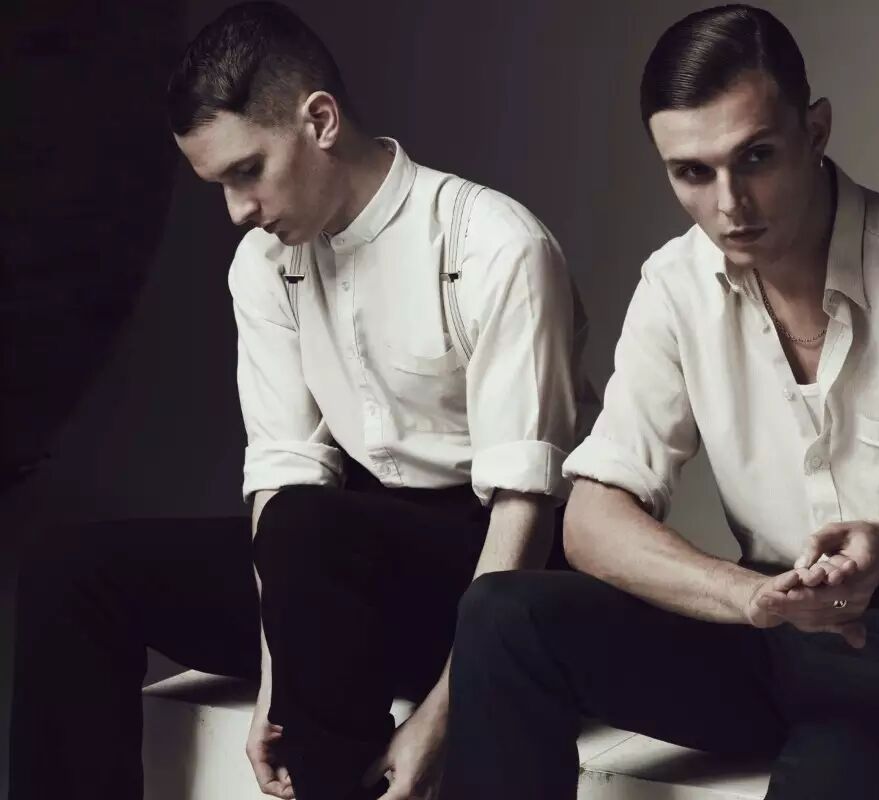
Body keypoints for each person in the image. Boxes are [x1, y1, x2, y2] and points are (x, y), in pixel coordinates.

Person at [441, 5, 879, 799]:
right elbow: (592, 518)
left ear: (816, 131)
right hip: (764, 632)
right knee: (503, 614)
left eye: (756, 157)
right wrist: (748, 598)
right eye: (692, 173)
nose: (730, 204)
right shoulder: (675, 284)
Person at [8, 3, 590, 799]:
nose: (238, 210)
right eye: (219, 185)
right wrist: (274, 685)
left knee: (315, 530)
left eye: (247, 171)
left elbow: (526, 507)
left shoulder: (496, 244)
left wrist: (441, 719)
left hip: (500, 572)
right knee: (71, 571)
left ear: (320, 121)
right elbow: (284, 474)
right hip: (340, 570)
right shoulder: (262, 265)